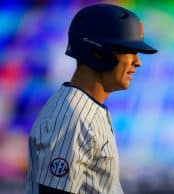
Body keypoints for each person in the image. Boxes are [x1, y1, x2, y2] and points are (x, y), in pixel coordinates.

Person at [25, 3, 157, 194]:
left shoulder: (85, 108)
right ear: (97, 52)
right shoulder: (73, 119)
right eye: (128, 50)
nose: (138, 62)